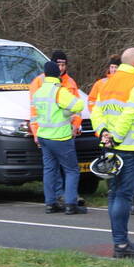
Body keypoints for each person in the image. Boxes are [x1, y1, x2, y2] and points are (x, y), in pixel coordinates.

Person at [90, 47, 134, 257]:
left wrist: (103, 132)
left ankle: (120, 240)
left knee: (114, 195)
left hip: (109, 147)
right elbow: (129, 114)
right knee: (124, 196)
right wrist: (116, 136)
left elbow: (96, 110)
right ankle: (122, 244)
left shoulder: (108, 83)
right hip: (130, 147)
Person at [32, 61, 87, 215]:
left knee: (50, 170)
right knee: (71, 170)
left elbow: (42, 113)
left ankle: (50, 203)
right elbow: (78, 106)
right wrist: (67, 113)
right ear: (58, 74)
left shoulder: (39, 91)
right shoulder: (59, 91)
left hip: (44, 135)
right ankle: (70, 204)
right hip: (60, 136)